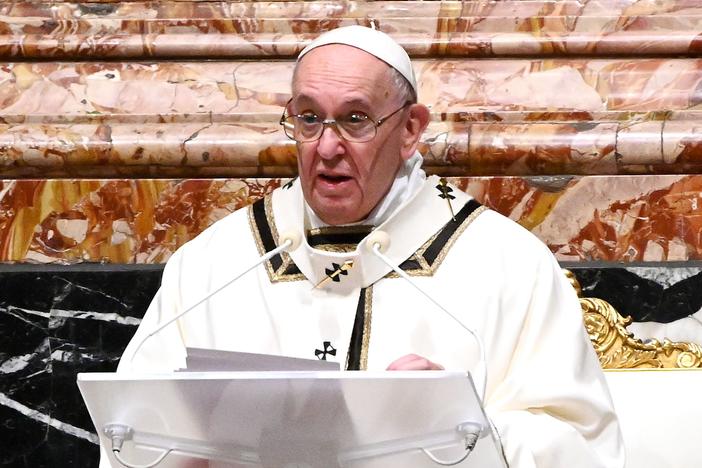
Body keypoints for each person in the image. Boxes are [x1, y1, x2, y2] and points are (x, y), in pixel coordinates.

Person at [111, 26, 624, 468]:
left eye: (355, 119)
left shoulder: (508, 263)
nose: (327, 147)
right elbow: (129, 437)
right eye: (309, 118)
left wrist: (457, 428)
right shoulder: (214, 264)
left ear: (410, 129)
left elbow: (581, 447)